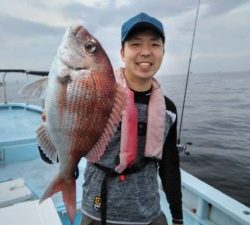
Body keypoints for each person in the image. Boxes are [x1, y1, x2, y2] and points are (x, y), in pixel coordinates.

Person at [39, 12, 183, 225]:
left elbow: (170, 166)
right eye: (135, 44)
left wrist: (178, 217)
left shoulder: (168, 109)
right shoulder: (97, 95)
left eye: (154, 45)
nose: (145, 52)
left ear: (163, 52)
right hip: (98, 209)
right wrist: (51, 124)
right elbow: (52, 156)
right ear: (122, 53)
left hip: (149, 212)